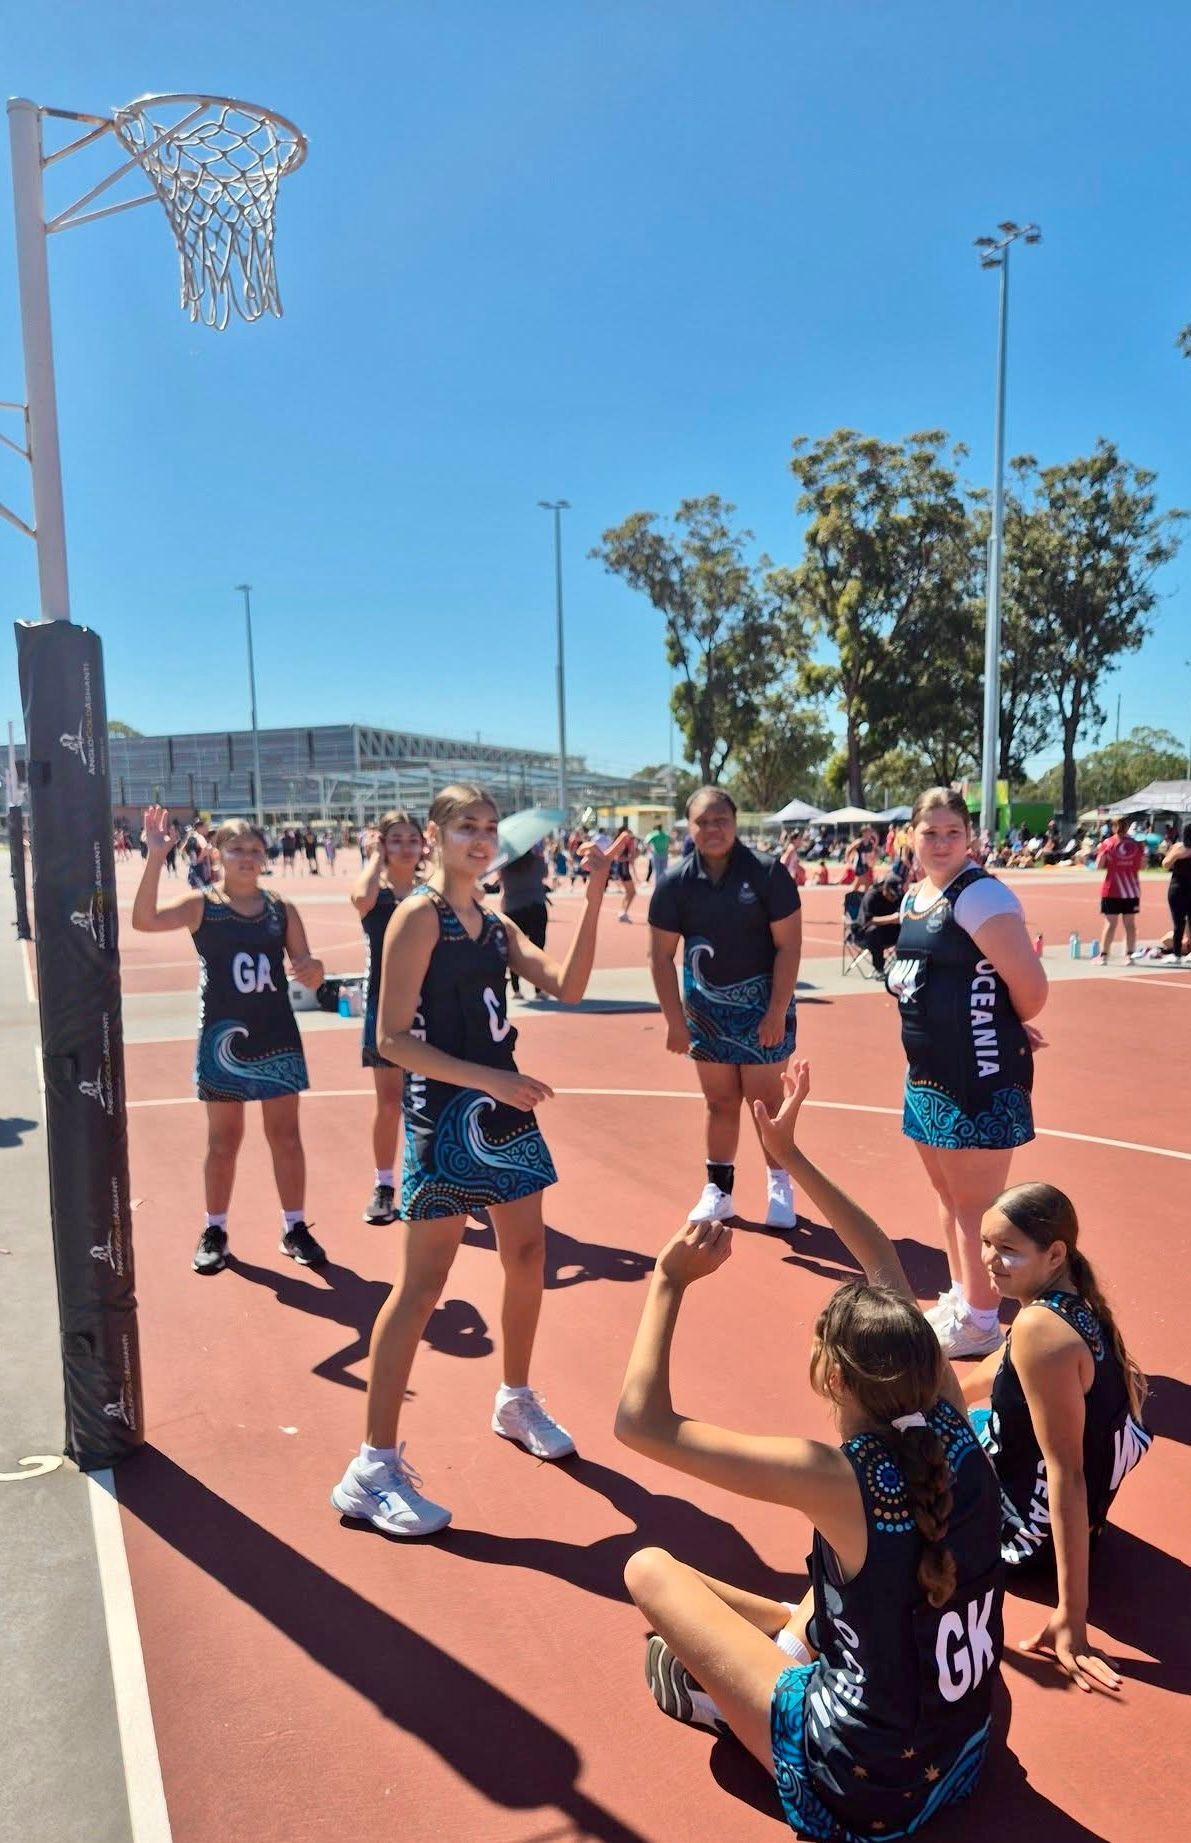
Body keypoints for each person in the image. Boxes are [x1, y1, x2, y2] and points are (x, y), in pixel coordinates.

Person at [616, 1062, 1004, 1839]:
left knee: (650, 1570)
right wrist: (789, 1155)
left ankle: (723, 1698)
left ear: (830, 1375)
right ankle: (751, 1664)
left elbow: (640, 1423)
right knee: (843, 1587)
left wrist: (667, 1281)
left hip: (866, 1786)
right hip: (962, 1741)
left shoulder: (835, 1477)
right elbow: (887, 1274)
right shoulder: (953, 1421)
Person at [329, 785, 632, 1536]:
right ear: (435, 834)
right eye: (466, 826)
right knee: (423, 1284)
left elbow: (567, 984)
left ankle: (515, 1397)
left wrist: (593, 894)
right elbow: (392, 1037)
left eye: (490, 828)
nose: (481, 839)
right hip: (446, 1113)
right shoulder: (415, 917)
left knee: (526, 1254)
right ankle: (370, 1466)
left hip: (503, 1111)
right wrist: (491, 1076)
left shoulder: (491, 922)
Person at [962, 1185, 1150, 1690]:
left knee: (890, 1469)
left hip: (1027, 1534)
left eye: (1007, 1250)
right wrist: (937, 1400)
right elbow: (993, 1371)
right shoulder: (1073, 1303)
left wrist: (1072, 1614)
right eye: (985, 1242)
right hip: (1078, 1518)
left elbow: (1066, 1476)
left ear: (1055, 1255)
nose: (989, 1260)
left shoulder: (1039, 1331)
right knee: (952, 1417)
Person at [886, 789, 1047, 1360]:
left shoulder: (979, 896)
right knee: (946, 1194)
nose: (941, 843)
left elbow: (1031, 989)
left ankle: (982, 1321)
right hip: (928, 1073)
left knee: (976, 1205)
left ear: (970, 835)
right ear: (911, 835)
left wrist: (1006, 1022)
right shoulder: (916, 896)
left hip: (976, 1075)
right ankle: (963, 1297)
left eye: (953, 831)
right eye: (930, 833)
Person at [131, 805, 326, 1275]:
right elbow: (143, 920)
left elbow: (311, 972)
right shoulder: (204, 905)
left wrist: (312, 971)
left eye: (255, 850)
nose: (246, 857)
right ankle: (215, 1228)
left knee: (286, 1136)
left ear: (264, 857)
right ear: (217, 853)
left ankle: (294, 1226)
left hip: (276, 1035)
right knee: (224, 1140)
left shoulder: (281, 909)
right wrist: (156, 857)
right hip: (222, 1040)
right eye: (236, 848)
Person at [648, 786, 802, 1230]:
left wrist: (776, 1011)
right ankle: (719, 1190)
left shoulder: (769, 874)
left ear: (735, 823)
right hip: (706, 1015)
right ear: (689, 826)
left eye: (721, 820)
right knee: (719, 1102)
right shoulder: (675, 884)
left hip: (763, 1010)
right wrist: (675, 1022)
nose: (712, 828)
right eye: (702, 821)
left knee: (765, 1102)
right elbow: (660, 957)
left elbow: (789, 947)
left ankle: (779, 1183)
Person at [353, 812, 425, 1226]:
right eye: (394, 839)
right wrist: (373, 858)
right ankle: (384, 1185)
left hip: (430, 1004)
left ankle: (432, 1176)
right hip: (385, 1005)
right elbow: (358, 899)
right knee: (389, 1100)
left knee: (434, 1095)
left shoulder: (430, 891)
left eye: (410, 839)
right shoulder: (375, 893)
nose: (403, 847)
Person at [500, 842, 550, 998]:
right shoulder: (537, 861)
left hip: (513, 909)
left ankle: (516, 989)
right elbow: (545, 873)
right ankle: (539, 988)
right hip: (535, 906)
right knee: (538, 948)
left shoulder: (505, 866)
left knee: (514, 950)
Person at [1095, 817, 1146, 963]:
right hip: (1131, 889)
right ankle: (1130, 955)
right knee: (1130, 923)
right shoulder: (1137, 844)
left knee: (1110, 923)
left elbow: (1099, 865)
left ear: (1114, 827)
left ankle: (1104, 956)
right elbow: (1142, 866)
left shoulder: (1108, 843)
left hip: (1112, 889)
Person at [855, 868, 903, 975]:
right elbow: (868, 921)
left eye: (896, 896)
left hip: (890, 933)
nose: (894, 899)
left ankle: (904, 964)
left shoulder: (899, 897)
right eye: (892, 895)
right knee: (873, 931)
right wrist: (891, 918)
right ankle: (879, 969)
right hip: (866, 935)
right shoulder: (872, 896)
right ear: (885, 889)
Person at [1160, 822, 1191, 963]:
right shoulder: (1179, 848)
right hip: (1179, 888)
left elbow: (1165, 865)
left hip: (1178, 888)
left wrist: (1176, 855)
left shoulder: (1178, 848)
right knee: (1184, 922)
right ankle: (1182, 952)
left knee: (1179, 923)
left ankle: (1177, 954)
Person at [610, 822, 638, 922]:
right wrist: (630, 857)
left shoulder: (622, 842)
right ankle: (623, 912)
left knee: (630, 892)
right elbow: (618, 857)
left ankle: (623, 911)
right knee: (632, 892)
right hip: (622, 868)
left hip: (622, 868)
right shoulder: (622, 843)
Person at [645, 820, 671, 885]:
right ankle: (663, 885)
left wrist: (650, 850)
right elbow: (669, 843)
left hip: (656, 854)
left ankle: (658, 886)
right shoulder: (665, 835)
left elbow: (646, 842)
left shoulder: (653, 834)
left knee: (657, 871)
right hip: (665, 854)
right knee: (664, 871)